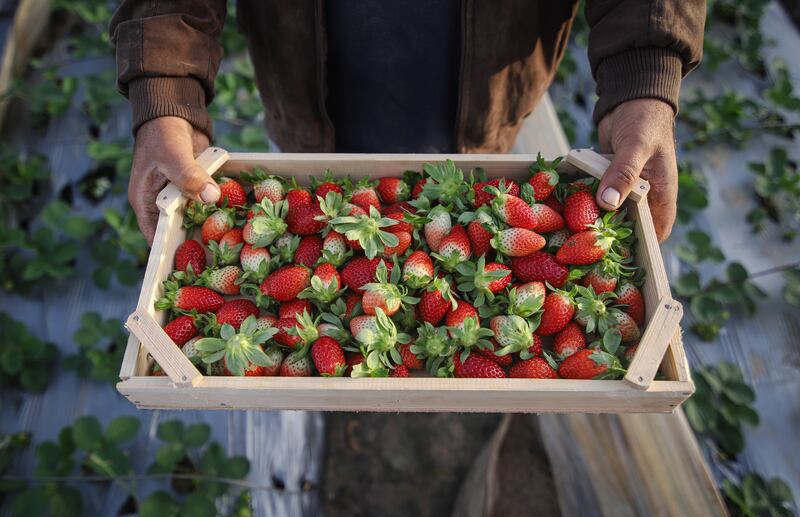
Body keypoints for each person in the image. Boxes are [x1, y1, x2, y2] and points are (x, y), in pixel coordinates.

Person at [110, 1, 705, 245]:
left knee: (475, 177)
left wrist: (646, 77)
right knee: (317, 201)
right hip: (308, 81)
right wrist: (166, 84)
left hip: (488, 83)